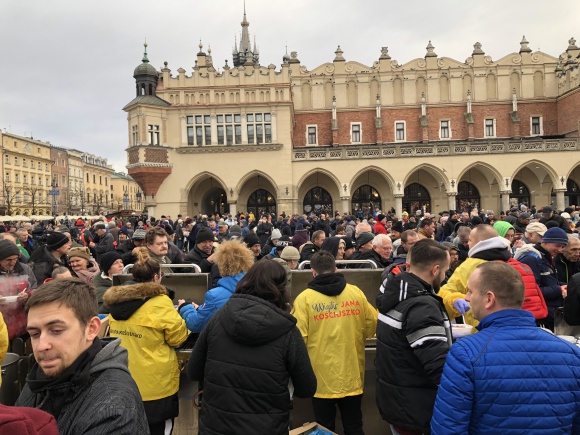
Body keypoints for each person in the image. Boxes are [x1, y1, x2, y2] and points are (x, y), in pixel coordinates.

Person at [431, 262, 580, 434]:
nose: (466, 298)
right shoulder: (571, 353)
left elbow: (449, 427)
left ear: (489, 299)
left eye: (470, 291)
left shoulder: (466, 353)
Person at [187, 260, 317, 434]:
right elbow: (307, 387)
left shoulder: (218, 318)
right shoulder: (288, 331)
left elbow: (194, 371)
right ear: (281, 290)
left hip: (216, 427)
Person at [15, 279, 149, 435]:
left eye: (56, 330)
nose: (40, 346)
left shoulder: (113, 406)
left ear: (91, 329)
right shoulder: (40, 376)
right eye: (34, 334)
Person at [291, 251, 377, 435]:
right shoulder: (356, 293)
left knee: (324, 428)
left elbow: (298, 340)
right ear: (335, 269)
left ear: (313, 272)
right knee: (354, 426)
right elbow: (372, 326)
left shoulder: (304, 299)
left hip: (321, 380)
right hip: (352, 375)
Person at [104, 247, 188, 435]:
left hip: (124, 382)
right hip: (156, 387)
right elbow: (178, 337)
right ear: (157, 277)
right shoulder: (160, 302)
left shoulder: (116, 300)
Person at [376, 239, 451, 435]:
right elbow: (438, 366)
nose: (444, 277)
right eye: (444, 271)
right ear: (435, 270)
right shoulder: (421, 305)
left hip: (398, 403)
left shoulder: (394, 293)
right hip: (418, 409)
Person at [438, 225, 510, 328]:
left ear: (479, 243)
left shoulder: (469, 266)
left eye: (470, 241)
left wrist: (456, 300)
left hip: (481, 328)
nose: (468, 244)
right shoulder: (511, 261)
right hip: (512, 326)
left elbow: (445, 294)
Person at [179, 239, 254, 332]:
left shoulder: (214, 296)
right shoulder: (257, 287)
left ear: (221, 265)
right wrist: (200, 309)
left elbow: (196, 324)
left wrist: (185, 307)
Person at [517, 226, 569, 331]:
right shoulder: (531, 259)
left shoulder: (547, 257)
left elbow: (550, 282)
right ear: (545, 242)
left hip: (549, 312)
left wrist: (569, 285)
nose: (560, 250)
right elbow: (531, 292)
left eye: (562, 247)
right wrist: (559, 290)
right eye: (557, 245)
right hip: (539, 318)